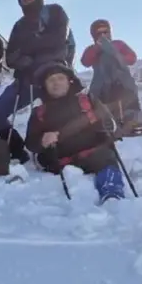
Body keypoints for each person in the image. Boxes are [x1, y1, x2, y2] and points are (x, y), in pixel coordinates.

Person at [0, 0, 73, 163]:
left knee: (59, 117)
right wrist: (28, 56)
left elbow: (59, 40)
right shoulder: (19, 25)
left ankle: (62, 153)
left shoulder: (55, 12)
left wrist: (28, 49)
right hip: (27, 78)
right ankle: (18, 151)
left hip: (53, 75)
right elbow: (10, 58)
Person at [25, 64, 126, 203]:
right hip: (58, 165)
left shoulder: (88, 100)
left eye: (60, 78)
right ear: (45, 86)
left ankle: (112, 194)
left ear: (69, 81)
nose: (56, 83)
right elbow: (30, 143)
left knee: (106, 158)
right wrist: (42, 140)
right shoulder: (38, 113)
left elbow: (110, 123)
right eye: (51, 80)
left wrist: (107, 128)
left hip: (95, 156)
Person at [80, 19, 142, 136]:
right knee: (101, 105)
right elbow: (85, 61)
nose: (103, 35)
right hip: (101, 83)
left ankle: (133, 124)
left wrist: (116, 54)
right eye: (99, 33)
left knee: (128, 101)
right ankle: (104, 127)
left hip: (122, 80)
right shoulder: (92, 49)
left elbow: (132, 58)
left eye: (105, 32)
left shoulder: (118, 44)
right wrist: (97, 49)